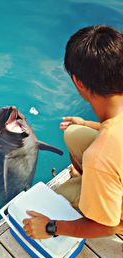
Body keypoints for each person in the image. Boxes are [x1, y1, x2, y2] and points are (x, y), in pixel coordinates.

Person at [23, 25, 123, 238]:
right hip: (112, 167)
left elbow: (109, 226)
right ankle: (89, 181)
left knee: (58, 197)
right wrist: (86, 124)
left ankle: (93, 189)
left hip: (116, 218)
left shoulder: (100, 156)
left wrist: (51, 227)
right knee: (74, 132)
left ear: (78, 82)